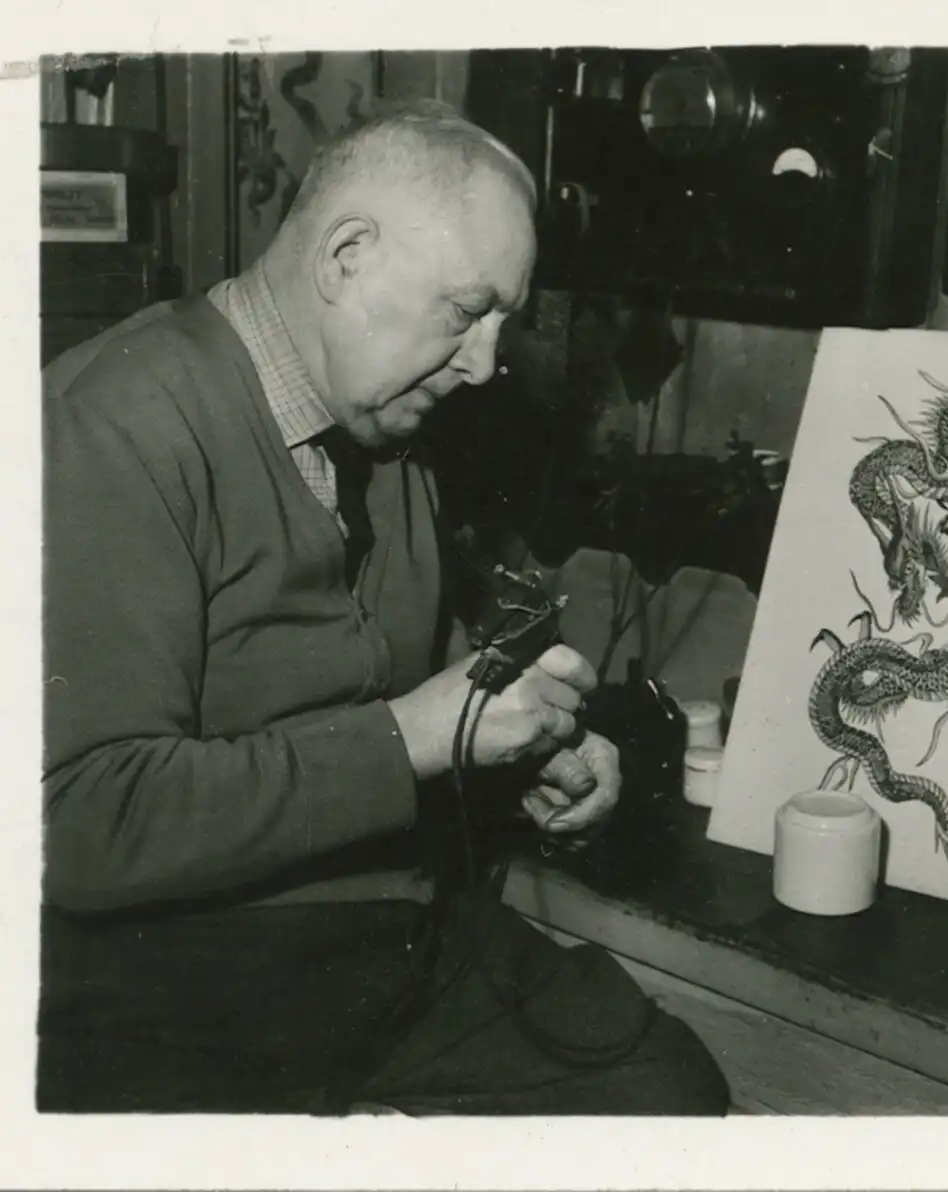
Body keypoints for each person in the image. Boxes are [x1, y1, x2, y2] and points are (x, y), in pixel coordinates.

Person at [39, 99, 729, 1116]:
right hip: (169, 984)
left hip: (388, 943)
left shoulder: (385, 422)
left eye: (503, 322)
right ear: (346, 256)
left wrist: (530, 752)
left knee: (663, 1092)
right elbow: (82, 821)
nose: (486, 363)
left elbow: (408, 690)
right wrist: (417, 734)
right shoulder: (112, 424)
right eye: (464, 312)